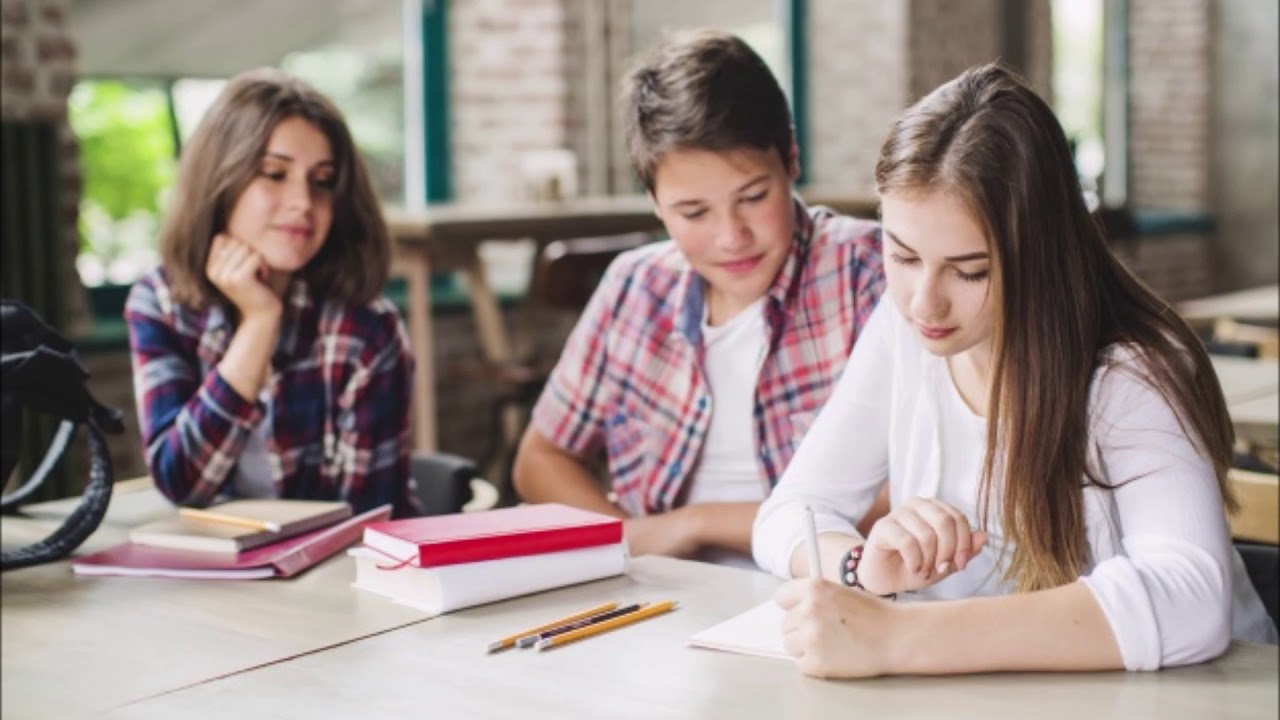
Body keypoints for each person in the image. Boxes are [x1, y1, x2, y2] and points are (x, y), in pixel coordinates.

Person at [752, 62, 1278, 678]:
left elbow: (1188, 598)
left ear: (1041, 253)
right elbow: (791, 513)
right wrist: (863, 568)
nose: (925, 302)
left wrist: (899, 638)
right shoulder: (903, 331)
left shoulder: (1132, 369)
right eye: (902, 256)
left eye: (969, 270)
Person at [511, 29, 886, 567]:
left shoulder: (868, 272)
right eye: (693, 212)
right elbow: (540, 458)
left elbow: (920, 487)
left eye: (753, 198)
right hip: (666, 598)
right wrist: (631, 542)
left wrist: (698, 522)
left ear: (792, 161)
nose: (731, 236)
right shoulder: (636, 287)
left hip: (822, 591)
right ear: (655, 203)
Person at [126, 68, 417, 517]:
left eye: (322, 181)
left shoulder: (368, 329)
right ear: (220, 182)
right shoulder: (161, 303)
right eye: (274, 173)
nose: (303, 201)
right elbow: (181, 481)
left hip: (336, 576)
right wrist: (259, 323)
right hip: (210, 575)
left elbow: (370, 524)